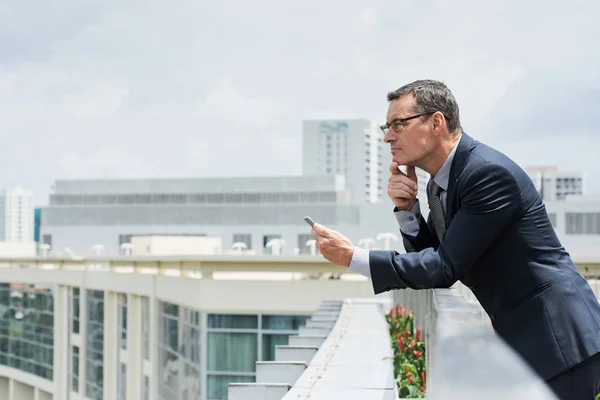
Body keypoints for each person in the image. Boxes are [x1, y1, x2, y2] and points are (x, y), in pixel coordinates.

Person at [311, 79, 600, 399]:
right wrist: (407, 210)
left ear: (436, 122)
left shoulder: (485, 174)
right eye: (386, 126)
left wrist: (354, 257)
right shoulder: (439, 184)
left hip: (558, 338)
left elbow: (444, 267)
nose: (388, 136)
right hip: (527, 339)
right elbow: (438, 258)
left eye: (398, 124)